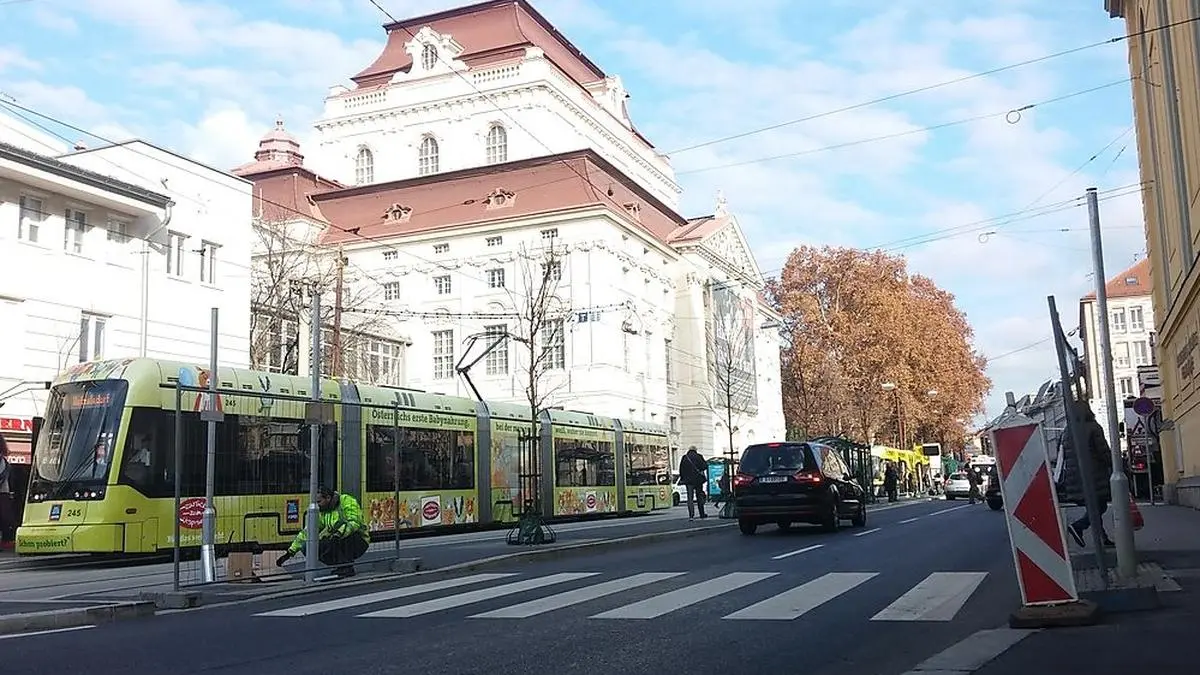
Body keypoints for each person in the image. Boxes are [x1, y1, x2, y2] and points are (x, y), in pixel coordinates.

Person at [1058, 400, 1115, 548]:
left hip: (1075, 477)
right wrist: (1116, 466)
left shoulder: (1067, 430)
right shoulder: (1093, 427)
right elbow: (1103, 451)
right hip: (1093, 474)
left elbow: (1064, 454)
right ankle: (1078, 526)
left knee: (1093, 507)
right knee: (1100, 506)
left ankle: (1103, 539)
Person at [276, 486, 370, 577]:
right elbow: (308, 532)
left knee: (333, 540)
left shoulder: (346, 501)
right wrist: (290, 553)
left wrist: (338, 534)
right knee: (307, 547)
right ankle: (341, 566)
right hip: (337, 539)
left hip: (359, 540)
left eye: (319, 502)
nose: (317, 505)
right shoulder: (323, 511)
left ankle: (345, 567)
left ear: (328, 498)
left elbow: (354, 522)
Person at [677, 446, 708, 520]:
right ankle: (702, 514)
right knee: (699, 496)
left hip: (688, 481)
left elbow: (681, 469)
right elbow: (705, 466)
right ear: (695, 450)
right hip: (698, 480)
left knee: (690, 498)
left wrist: (683, 478)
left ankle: (691, 515)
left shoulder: (685, 457)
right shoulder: (699, 456)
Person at [0, 437, 14, 550]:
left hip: (2, 493)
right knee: (4, 518)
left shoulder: (1, 460)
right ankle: (6, 540)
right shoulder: (3, 460)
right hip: (3, 492)